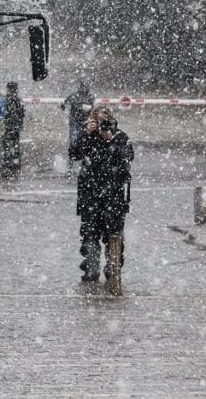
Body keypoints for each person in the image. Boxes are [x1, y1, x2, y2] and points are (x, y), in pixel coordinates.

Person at [69, 106, 134, 283]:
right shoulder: (88, 136)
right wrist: (86, 134)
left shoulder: (120, 137)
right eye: (98, 120)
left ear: (111, 120)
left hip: (113, 196)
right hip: (90, 194)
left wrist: (111, 140)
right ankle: (91, 269)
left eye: (105, 120)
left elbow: (128, 156)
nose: (102, 125)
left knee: (114, 234)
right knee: (89, 234)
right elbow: (73, 153)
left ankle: (113, 269)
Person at [61, 81, 94, 170]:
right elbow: (90, 107)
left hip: (79, 122)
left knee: (76, 142)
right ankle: (78, 162)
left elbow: (64, 104)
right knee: (79, 142)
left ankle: (74, 162)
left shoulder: (74, 96)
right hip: (80, 122)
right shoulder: (88, 96)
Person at [3, 82, 25, 179]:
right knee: (15, 147)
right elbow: (22, 113)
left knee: (7, 147)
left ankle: (9, 168)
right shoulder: (18, 99)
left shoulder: (7, 99)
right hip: (15, 127)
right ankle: (15, 168)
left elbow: (5, 113)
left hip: (9, 127)